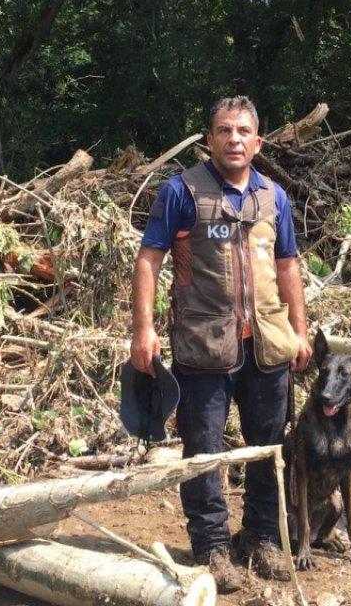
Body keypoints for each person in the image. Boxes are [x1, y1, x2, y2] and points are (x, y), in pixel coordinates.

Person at [130, 95, 312, 592]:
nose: (234, 139)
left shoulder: (274, 197)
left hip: (266, 346)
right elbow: (149, 260)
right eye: (224, 131)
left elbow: (287, 265)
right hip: (203, 345)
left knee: (266, 447)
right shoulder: (182, 191)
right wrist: (142, 330)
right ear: (209, 139)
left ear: (258, 141)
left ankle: (260, 537)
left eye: (243, 132)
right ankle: (211, 544)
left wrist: (299, 328)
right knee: (204, 450)